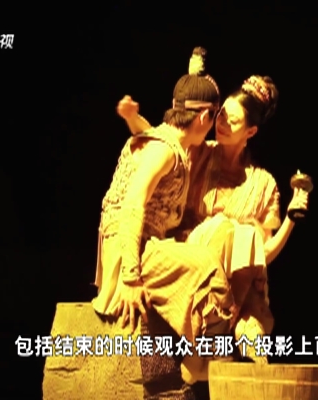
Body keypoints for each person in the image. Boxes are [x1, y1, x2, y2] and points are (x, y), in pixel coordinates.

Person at [118, 75, 310, 383]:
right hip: (190, 260)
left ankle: (236, 331)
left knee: (245, 234)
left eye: (233, 121)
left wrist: (290, 219)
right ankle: (223, 338)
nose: (222, 124)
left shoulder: (263, 184)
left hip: (235, 282)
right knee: (225, 227)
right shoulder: (197, 151)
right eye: (221, 115)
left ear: (251, 131)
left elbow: (262, 255)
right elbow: (161, 137)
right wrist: (131, 117)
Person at [92, 47, 233, 400]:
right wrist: (130, 277)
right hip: (131, 249)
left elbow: (145, 129)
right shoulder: (164, 150)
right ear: (204, 116)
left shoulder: (164, 139)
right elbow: (132, 206)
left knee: (211, 244)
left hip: (145, 244)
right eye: (214, 116)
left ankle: (203, 355)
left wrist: (131, 117)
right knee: (207, 266)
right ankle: (202, 362)